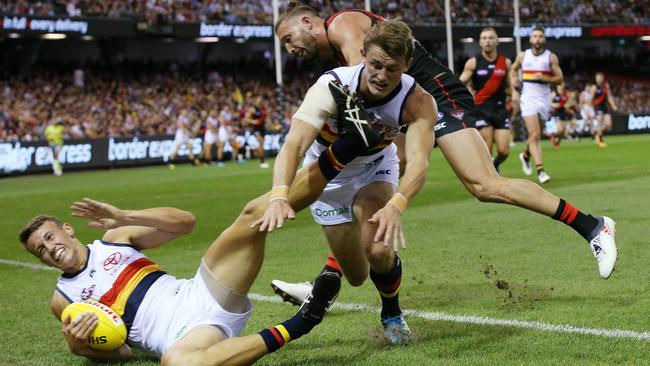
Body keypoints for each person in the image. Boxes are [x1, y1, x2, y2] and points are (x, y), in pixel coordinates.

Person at [270, 2, 618, 312]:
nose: (289, 49)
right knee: (377, 172)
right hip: (404, 108)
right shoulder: (338, 37)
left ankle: (592, 226)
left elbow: (359, 86)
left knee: (484, 185)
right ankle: (328, 279)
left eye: (289, 38)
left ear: (308, 21)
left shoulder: (340, 25)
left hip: (435, 97)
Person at [265, 19, 436, 344]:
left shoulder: (418, 100)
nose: (382, 76)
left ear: (407, 67)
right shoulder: (331, 85)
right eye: (375, 65)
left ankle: (392, 313)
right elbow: (294, 144)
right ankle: (326, 288)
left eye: (392, 69)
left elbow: (419, 163)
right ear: (362, 55)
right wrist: (279, 195)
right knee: (356, 276)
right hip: (327, 177)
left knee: (378, 249)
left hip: (375, 169)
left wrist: (396, 205)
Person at [19, 198, 341, 365]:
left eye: (50, 237)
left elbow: (186, 223)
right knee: (177, 363)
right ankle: (300, 323)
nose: (50, 248)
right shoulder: (63, 300)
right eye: (40, 250)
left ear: (67, 229)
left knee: (253, 215)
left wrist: (127, 216)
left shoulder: (114, 239)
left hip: (200, 291)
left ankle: (337, 162)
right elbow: (122, 354)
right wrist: (80, 349)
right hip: (183, 337)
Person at [510, 27, 563, 183]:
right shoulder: (523, 56)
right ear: (531, 39)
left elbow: (559, 79)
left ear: (544, 39)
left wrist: (546, 79)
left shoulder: (550, 57)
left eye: (540, 36)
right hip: (528, 98)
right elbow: (512, 70)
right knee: (534, 134)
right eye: (535, 36)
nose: (537, 39)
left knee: (536, 134)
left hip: (544, 99)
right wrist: (513, 81)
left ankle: (525, 155)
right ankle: (540, 171)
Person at [459, 27, 512, 173]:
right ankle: (490, 179)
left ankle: (495, 163)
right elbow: (460, 82)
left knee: (504, 151)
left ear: (496, 41)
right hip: (481, 109)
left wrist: (514, 96)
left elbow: (510, 84)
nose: (487, 41)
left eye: (490, 38)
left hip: (501, 110)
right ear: (480, 43)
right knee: (487, 147)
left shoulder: (505, 62)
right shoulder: (473, 62)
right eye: (484, 38)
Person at [590, 72, 618, 148]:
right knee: (600, 121)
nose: (599, 79)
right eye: (597, 78)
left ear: (603, 78)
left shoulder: (606, 86)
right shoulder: (594, 87)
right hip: (597, 106)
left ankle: (597, 134)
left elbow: (609, 96)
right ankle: (599, 141)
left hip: (605, 106)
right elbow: (591, 99)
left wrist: (613, 105)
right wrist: (591, 109)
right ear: (595, 79)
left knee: (608, 124)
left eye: (600, 78)